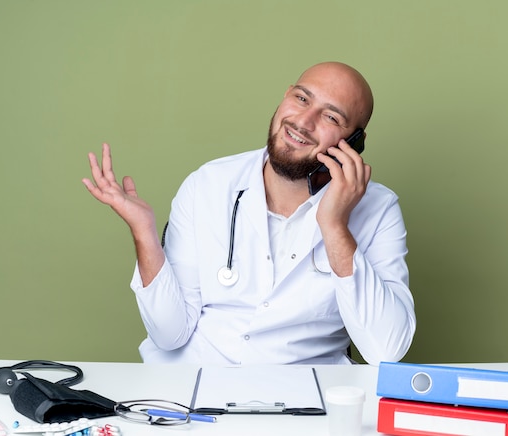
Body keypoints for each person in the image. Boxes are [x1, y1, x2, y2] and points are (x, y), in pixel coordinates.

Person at [83, 61, 415, 365]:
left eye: (331, 117)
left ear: (354, 141)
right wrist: (144, 232)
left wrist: (335, 226)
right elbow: (169, 335)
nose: (303, 121)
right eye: (301, 99)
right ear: (285, 97)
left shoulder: (379, 209)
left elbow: (386, 349)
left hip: (303, 402)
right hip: (191, 390)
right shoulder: (208, 184)